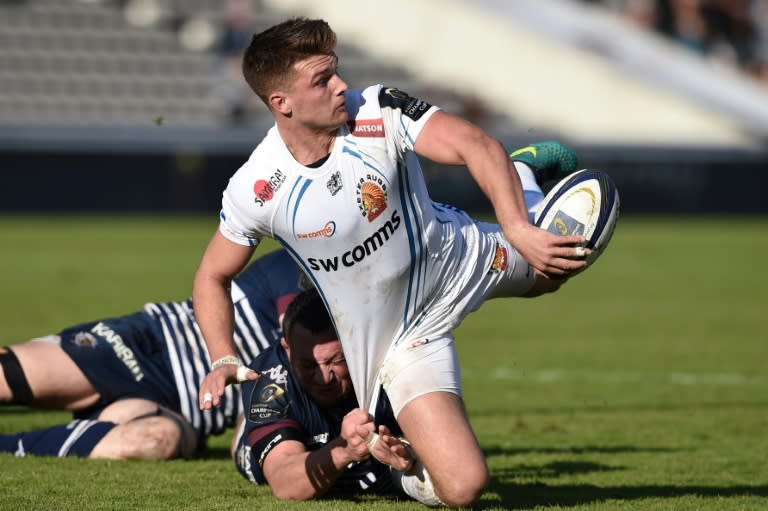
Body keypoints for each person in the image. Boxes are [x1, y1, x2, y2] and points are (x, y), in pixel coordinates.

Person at [194, 17, 599, 507]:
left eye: (336, 71)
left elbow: (475, 144)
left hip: (456, 257)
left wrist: (515, 227)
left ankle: (522, 176)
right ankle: (404, 474)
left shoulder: (379, 108)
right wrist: (223, 358)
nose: (342, 85)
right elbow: (212, 276)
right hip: (403, 338)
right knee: (463, 488)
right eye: (322, 80)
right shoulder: (256, 190)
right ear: (283, 103)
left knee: (552, 274)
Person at [0, 249, 303, 460]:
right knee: (5, 377)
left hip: (184, 412)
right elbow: (301, 341)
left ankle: (7, 446)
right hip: (141, 347)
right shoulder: (300, 265)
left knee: (157, 440)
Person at [233, 287, 442, 504]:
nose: (323, 377)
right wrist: (345, 449)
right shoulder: (269, 379)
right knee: (250, 451)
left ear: (356, 346)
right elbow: (284, 482)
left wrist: (407, 449)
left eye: (336, 361)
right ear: (287, 348)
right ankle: (246, 422)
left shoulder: (387, 360)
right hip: (294, 440)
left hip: (366, 463)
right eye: (308, 364)